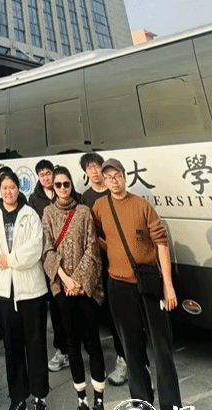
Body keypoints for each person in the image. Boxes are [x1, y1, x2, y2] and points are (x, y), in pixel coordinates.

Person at [92, 158, 191, 410]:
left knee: (162, 351)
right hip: (118, 286)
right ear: (104, 181)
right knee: (132, 353)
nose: (113, 181)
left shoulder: (142, 205)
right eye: (108, 177)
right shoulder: (100, 207)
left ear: (125, 177)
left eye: (117, 175)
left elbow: (161, 242)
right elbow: (95, 234)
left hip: (149, 284)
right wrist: (112, 250)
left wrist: (168, 285)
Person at [41, 166, 109, 410]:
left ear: (72, 185)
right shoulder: (47, 213)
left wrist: (79, 280)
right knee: (72, 344)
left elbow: (93, 248)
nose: (62, 188)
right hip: (62, 286)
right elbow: (47, 249)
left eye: (66, 183)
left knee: (93, 343)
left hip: (85, 287)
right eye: (58, 184)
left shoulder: (83, 212)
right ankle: (82, 403)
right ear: (53, 187)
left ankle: (99, 404)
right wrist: (66, 280)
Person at [0, 172, 49, 410]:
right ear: (0, 190)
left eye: (12, 187)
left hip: (31, 291)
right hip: (4, 292)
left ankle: (40, 399)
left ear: (19, 189)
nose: (8, 191)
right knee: (12, 348)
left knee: (36, 345)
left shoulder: (30, 214)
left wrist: (10, 259)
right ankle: (18, 399)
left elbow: (35, 248)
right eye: (5, 187)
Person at [79, 152, 134, 387]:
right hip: (97, 264)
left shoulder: (116, 194)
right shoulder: (86, 197)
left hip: (118, 265)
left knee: (120, 315)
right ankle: (108, 359)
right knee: (101, 314)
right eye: (89, 168)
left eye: (97, 166)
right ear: (85, 172)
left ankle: (128, 361)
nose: (94, 171)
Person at [27, 159, 69, 373]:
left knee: (73, 305)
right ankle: (62, 350)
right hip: (49, 258)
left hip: (70, 258)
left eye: (48, 173)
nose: (46, 177)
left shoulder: (64, 191)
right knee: (56, 305)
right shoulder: (34, 199)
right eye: (41, 174)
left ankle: (75, 346)